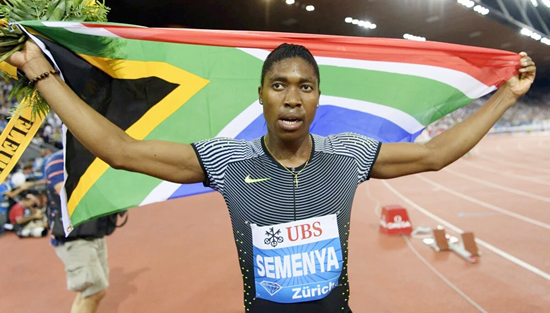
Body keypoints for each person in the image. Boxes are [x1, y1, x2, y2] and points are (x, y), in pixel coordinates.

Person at [7, 41, 536, 312]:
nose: (291, 97)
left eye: (305, 86)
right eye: (279, 84)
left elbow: (435, 154)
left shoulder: (348, 154)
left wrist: (506, 95)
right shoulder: (227, 161)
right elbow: (119, 150)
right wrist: (42, 75)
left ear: (317, 97)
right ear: (261, 94)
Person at [44, 150, 110, 313]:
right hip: (72, 237)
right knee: (94, 291)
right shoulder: (57, 161)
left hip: (92, 232)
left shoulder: (93, 157)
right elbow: (65, 192)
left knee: (93, 291)